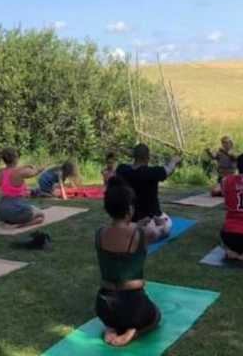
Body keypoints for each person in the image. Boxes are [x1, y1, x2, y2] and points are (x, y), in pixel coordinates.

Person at [95, 177, 161, 347]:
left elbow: (120, 230)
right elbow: (155, 233)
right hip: (133, 306)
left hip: (103, 305)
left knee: (117, 314)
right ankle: (133, 331)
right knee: (156, 315)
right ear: (129, 209)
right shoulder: (139, 233)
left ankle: (111, 327)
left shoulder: (99, 232)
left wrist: (135, 224)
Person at [115, 144, 180, 241]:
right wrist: (174, 160)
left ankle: (138, 230)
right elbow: (169, 170)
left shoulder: (121, 169)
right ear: (147, 157)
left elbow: (132, 168)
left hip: (129, 218)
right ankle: (151, 231)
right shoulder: (151, 172)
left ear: (134, 156)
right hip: (149, 218)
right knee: (167, 224)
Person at [0, 148, 45, 227]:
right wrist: (41, 168)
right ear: (15, 158)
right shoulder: (20, 172)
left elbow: (12, 170)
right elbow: (35, 172)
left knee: (32, 209)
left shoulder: (0, 172)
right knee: (41, 216)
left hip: (2, 212)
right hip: (16, 210)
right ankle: (19, 225)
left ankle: (10, 222)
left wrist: (25, 166)